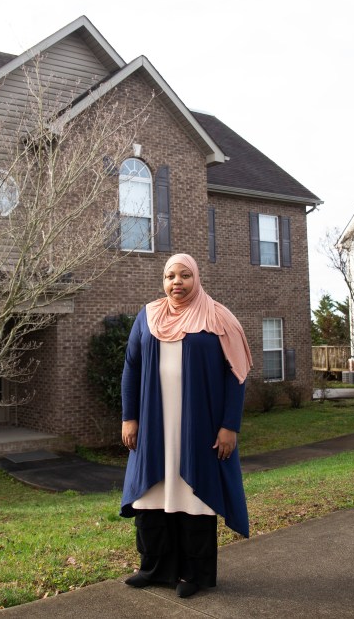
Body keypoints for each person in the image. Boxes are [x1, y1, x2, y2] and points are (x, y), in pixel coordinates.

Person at [119, 253, 252, 599]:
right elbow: (131, 368)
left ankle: (193, 574)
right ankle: (153, 569)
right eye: (169, 276)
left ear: (196, 279)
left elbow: (236, 375)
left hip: (198, 427)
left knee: (192, 499)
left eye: (184, 276)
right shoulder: (147, 318)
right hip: (153, 426)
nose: (176, 282)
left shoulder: (217, 317)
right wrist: (129, 417)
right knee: (152, 496)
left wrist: (229, 426)